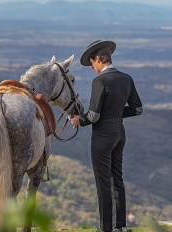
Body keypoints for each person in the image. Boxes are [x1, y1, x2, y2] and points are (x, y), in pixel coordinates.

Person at [71, 40, 143, 232]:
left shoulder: (100, 81)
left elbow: (94, 116)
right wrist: (117, 114)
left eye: (92, 63)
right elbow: (138, 109)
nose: (92, 67)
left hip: (103, 137)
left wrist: (80, 119)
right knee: (116, 179)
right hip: (120, 134)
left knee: (103, 181)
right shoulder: (126, 78)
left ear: (98, 59)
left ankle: (105, 228)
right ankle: (119, 227)